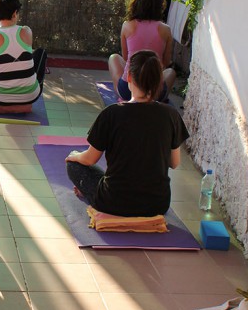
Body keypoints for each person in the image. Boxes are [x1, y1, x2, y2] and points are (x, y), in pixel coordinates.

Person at [65, 50, 189, 217]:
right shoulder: (171, 115)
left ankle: (89, 192)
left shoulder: (111, 113)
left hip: (113, 202)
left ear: (129, 77)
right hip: (157, 204)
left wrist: (75, 155)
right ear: (159, 81)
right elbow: (174, 163)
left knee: (74, 165)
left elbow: (89, 159)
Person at [0, 0, 47, 114]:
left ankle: (1, 108)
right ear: (14, 13)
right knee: (41, 53)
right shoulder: (27, 31)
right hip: (31, 96)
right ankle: (22, 106)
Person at [108, 0, 176, 102]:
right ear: (160, 7)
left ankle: (125, 94)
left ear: (136, 4)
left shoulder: (127, 25)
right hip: (154, 91)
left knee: (114, 58)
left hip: (128, 91)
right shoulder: (166, 30)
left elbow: (125, 58)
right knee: (171, 72)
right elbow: (165, 62)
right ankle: (157, 98)